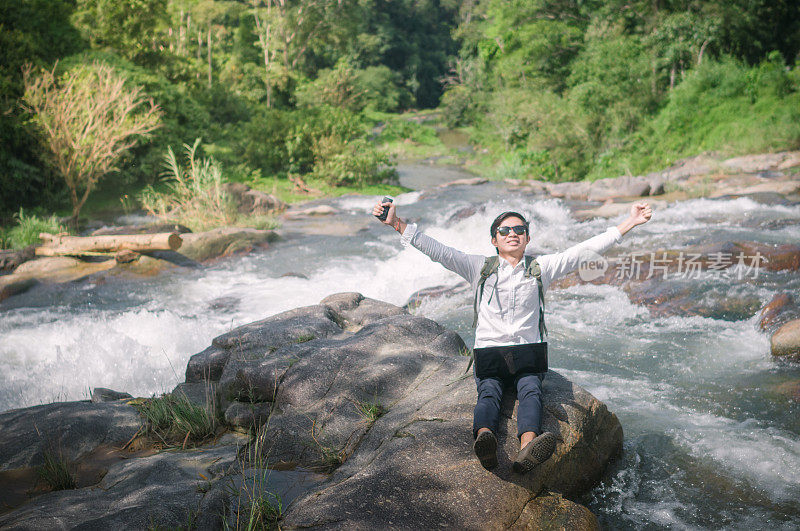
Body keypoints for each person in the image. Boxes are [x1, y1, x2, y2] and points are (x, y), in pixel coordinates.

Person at [373, 199, 652, 472]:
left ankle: (527, 448)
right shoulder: (478, 267)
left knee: (531, 391)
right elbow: (439, 251)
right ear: (494, 240)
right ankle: (486, 439)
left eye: (519, 230)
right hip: (491, 353)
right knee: (489, 393)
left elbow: (584, 250)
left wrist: (630, 222)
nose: (512, 234)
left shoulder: (542, 268)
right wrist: (397, 223)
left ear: (527, 238)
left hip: (526, 353)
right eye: (504, 231)